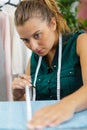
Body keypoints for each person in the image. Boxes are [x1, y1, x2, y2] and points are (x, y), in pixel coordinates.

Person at [12, 0, 87, 129]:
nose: (33, 47)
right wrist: (19, 97)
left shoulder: (81, 43)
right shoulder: (34, 60)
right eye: (26, 40)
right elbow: (34, 104)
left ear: (52, 24)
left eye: (37, 35)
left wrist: (65, 105)